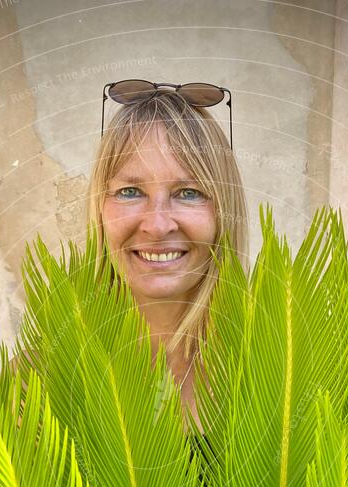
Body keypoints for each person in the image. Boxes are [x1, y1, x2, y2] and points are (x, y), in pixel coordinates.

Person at [86, 80, 248, 433]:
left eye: (188, 192)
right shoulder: (41, 378)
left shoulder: (280, 372)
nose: (157, 225)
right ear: (99, 209)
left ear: (224, 210)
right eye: (130, 192)